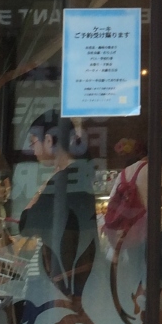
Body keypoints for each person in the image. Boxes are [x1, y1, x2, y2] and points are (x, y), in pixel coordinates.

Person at [18, 110, 97, 297]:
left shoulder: (62, 181)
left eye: (33, 142)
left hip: (66, 284)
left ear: (48, 140)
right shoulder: (79, 173)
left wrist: (42, 189)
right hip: (81, 278)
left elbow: (26, 225)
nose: (33, 150)